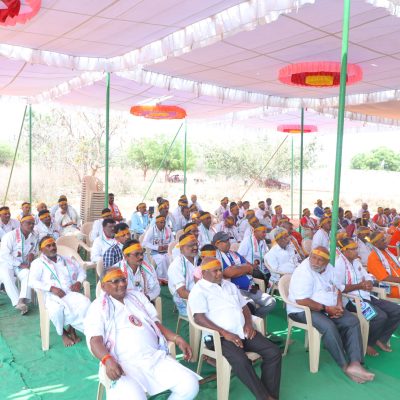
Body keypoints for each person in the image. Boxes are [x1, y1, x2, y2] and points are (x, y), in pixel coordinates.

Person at [85, 267, 199, 400]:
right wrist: (107, 360)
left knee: (190, 385)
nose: (122, 284)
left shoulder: (137, 296)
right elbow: (95, 341)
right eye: (115, 281)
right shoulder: (98, 306)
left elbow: (155, 325)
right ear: (104, 286)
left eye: (123, 279)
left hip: (154, 358)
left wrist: (177, 338)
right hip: (123, 364)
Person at [189, 257, 282, 400]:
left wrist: (249, 324)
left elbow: (244, 307)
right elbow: (199, 318)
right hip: (219, 338)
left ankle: (271, 395)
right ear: (205, 272)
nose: (220, 273)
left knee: (273, 352)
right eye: (215, 271)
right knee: (241, 361)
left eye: (220, 270)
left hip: (242, 331)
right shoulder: (199, 290)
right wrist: (225, 333)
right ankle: (264, 397)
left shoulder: (229, 285)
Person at [288, 246, 375, 383]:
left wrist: (339, 304)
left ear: (327, 262)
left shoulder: (330, 269)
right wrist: (326, 308)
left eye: (320, 260)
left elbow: (338, 288)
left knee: (352, 321)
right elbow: (301, 300)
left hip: (329, 307)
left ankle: (355, 363)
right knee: (328, 326)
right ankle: (344, 366)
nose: (315, 262)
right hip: (302, 309)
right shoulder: (303, 272)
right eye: (313, 258)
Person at [336, 238, 400, 356]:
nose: (357, 251)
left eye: (356, 248)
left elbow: (368, 276)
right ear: (344, 251)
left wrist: (369, 282)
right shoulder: (339, 265)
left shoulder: (357, 262)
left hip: (367, 296)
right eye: (353, 249)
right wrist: (359, 286)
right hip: (352, 300)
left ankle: (381, 339)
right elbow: (339, 288)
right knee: (379, 317)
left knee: (396, 310)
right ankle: (368, 343)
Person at [29, 236, 90, 346]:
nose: (52, 247)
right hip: (50, 296)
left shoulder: (66, 259)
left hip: (69, 292)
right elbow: (32, 281)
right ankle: (62, 333)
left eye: (53, 245)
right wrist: (51, 288)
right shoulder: (37, 263)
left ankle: (72, 329)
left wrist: (79, 282)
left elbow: (81, 271)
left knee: (85, 303)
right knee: (56, 310)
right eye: (48, 246)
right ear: (42, 250)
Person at [213, 232, 275, 318]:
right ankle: (253, 321)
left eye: (228, 240)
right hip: (236, 291)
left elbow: (251, 267)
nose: (229, 243)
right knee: (250, 305)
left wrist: (238, 269)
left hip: (250, 287)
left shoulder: (234, 253)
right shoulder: (217, 257)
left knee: (271, 302)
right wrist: (244, 269)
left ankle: (255, 319)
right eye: (225, 241)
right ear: (217, 243)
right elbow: (229, 273)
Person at [0, 215, 38, 314]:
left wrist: (32, 254)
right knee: (7, 277)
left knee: (28, 274)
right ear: (21, 223)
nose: (31, 225)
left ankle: (22, 300)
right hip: (6, 263)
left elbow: (35, 249)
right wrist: (19, 264)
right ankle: (18, 303)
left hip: (23, 264)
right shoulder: (10, 236)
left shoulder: (34, 235)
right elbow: (4, 254)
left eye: (33, 223)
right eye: (28, 223)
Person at [168, 233, 199, 316]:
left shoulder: (198, 258)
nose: (195, 247)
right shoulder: (176, 265)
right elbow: (182, 293)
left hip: (200, 294)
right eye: (191, 245)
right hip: (185, 300)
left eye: (196, 244)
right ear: (181, 249)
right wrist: (203, 298)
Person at [367, 231, 400, 300]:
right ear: (375, 243)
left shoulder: (386, 251)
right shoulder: (373, 257)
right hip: (393, 288)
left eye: (385, 238)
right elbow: (385, 278)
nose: (386, 241)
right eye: (383, 240)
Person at [143, 215, 172, 283]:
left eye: (164, 222)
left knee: (169, 258)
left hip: (166, 251)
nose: (163, 224)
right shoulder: (151, 230)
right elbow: (144, 243)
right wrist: (156, 247)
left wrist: (168, 245)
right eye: (161, 222)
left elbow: (172, 240)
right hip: (155, 252)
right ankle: (161, 278)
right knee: (162, 260)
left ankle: (169, 277)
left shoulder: (167, 229)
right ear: (156, 223)